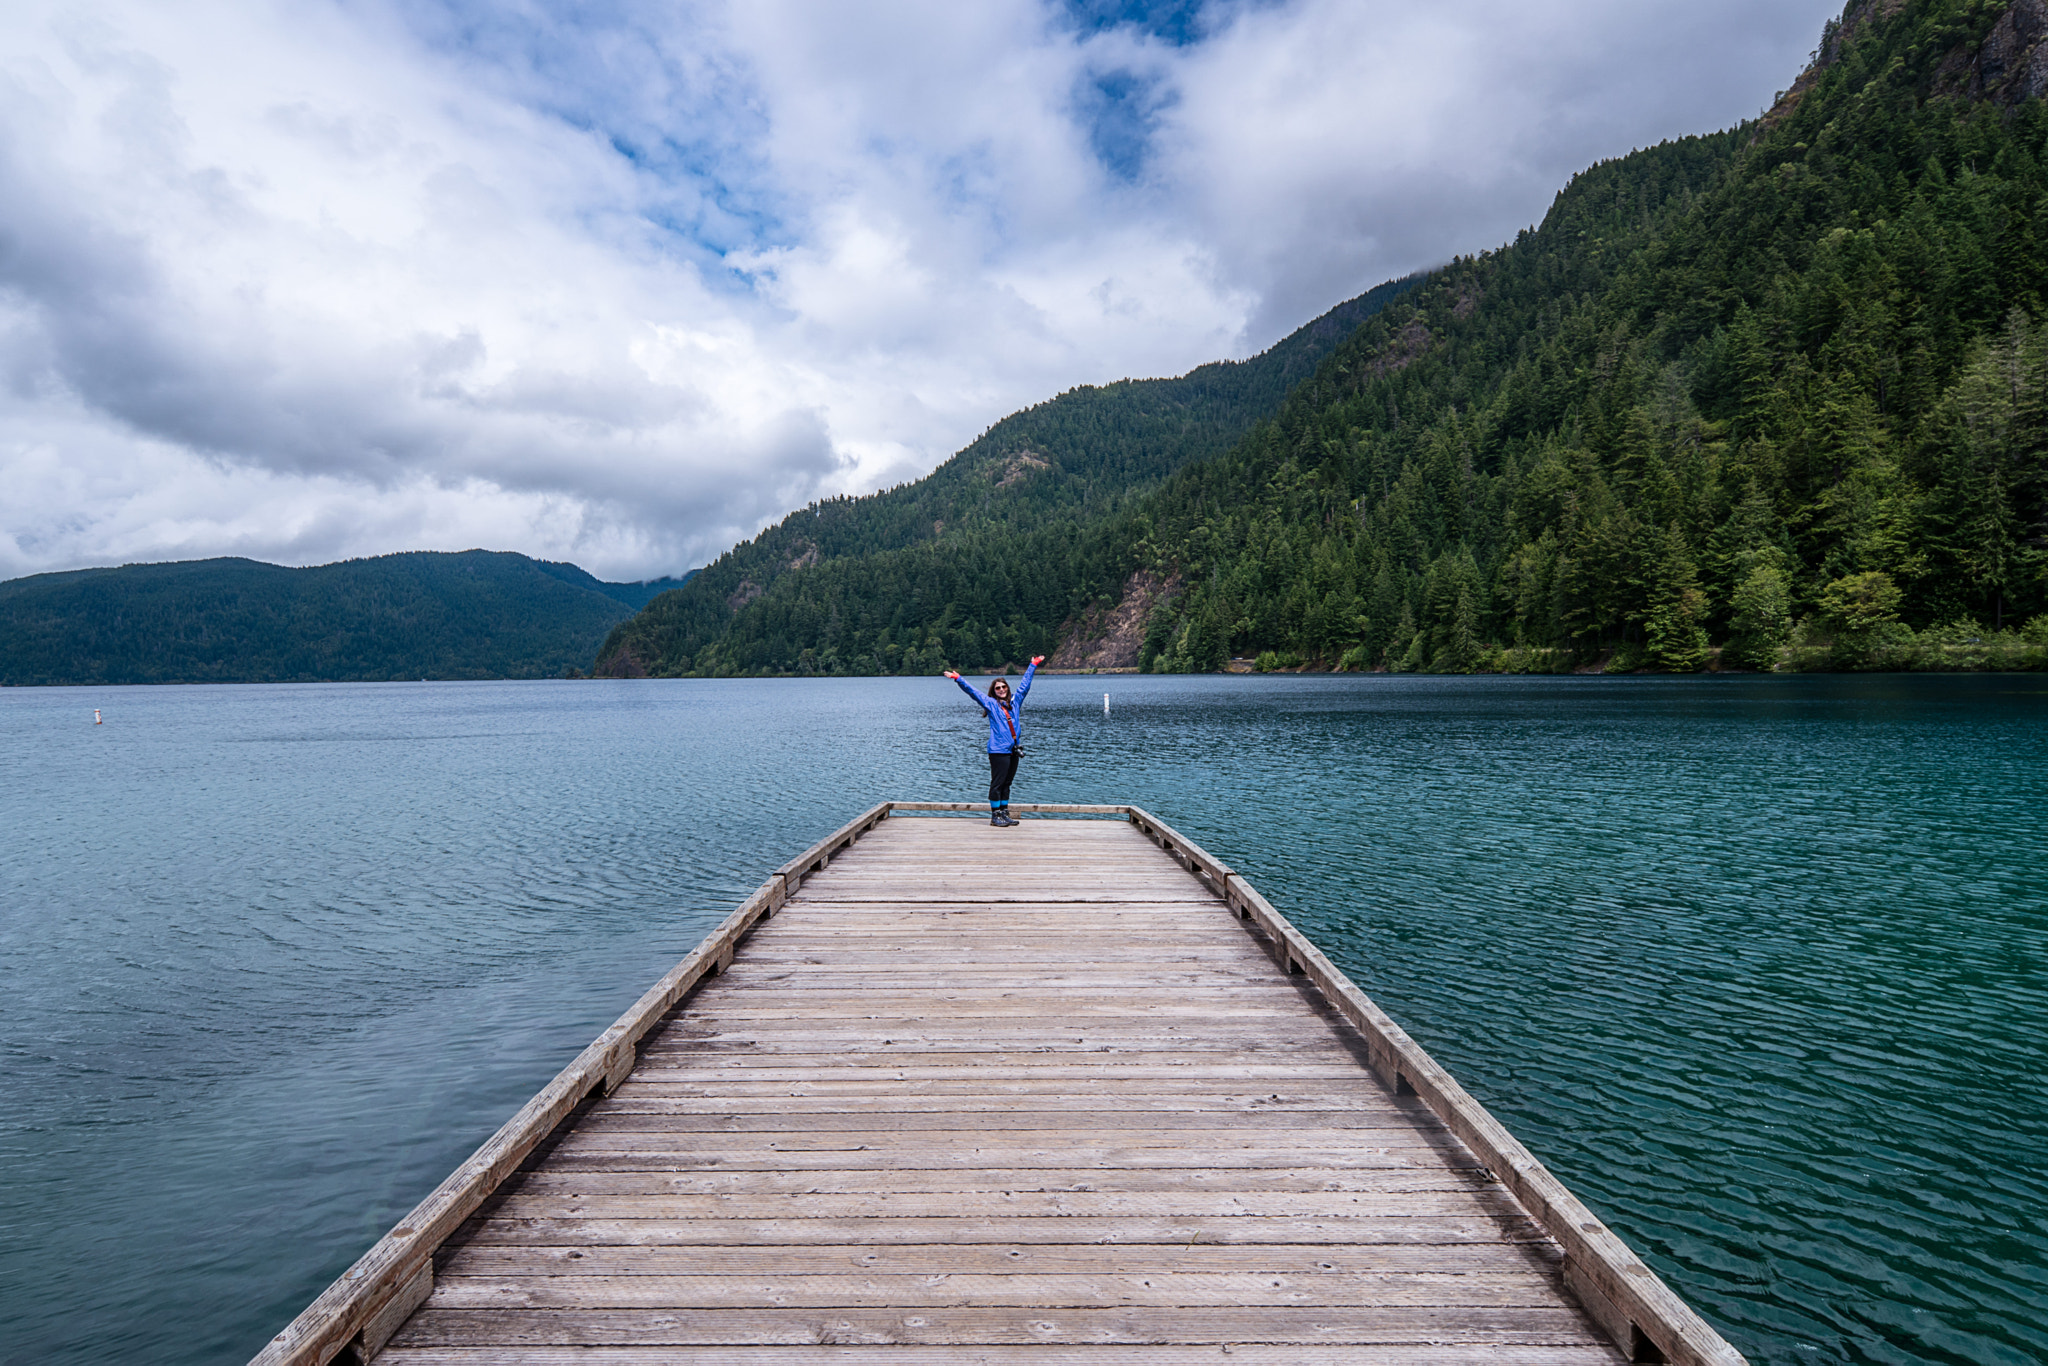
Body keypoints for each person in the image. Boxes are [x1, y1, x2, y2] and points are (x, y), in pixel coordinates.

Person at [945, 656, 1044, 826]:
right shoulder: (990, 704)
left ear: (1007, 688)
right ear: (994, 691)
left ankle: (1004, 813)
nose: (1001, 689)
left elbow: (1025, 686)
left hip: (1013, 749)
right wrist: (958, 679)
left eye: (1003, 687)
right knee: (997, 783)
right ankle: (995, 815)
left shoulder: (1015, 702)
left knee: (1007, 783)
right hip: (998, 751)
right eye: (998, 688)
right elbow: (973, 692)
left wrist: (1032, 665)